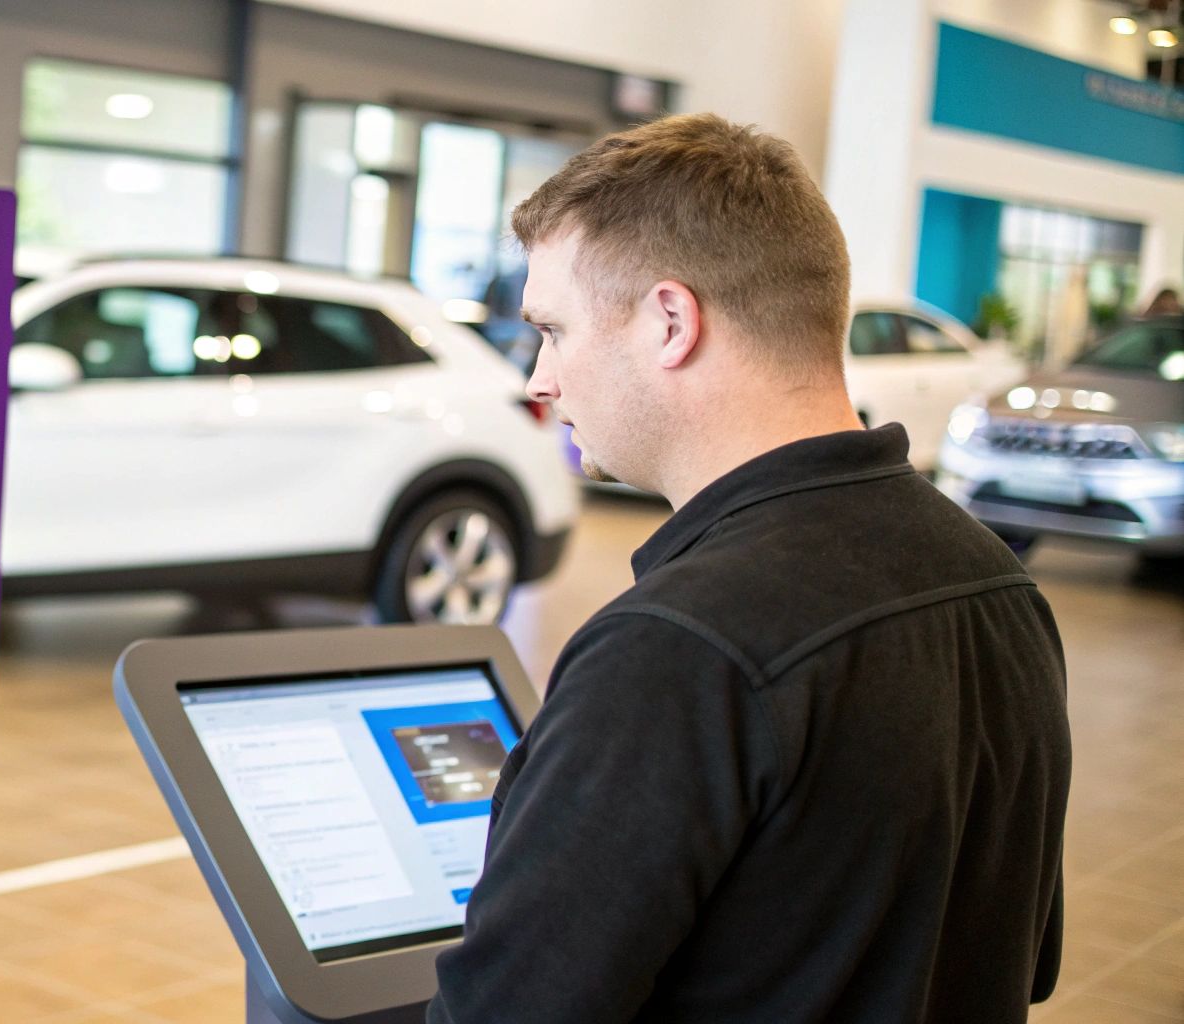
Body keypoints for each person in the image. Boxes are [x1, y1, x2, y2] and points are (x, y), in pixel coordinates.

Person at [427, 114, 1070, 1023]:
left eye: (554, 330)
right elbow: (1016, 958)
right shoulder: (997, 585)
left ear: (671, 321)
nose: (540, 378)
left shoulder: (679, 649)